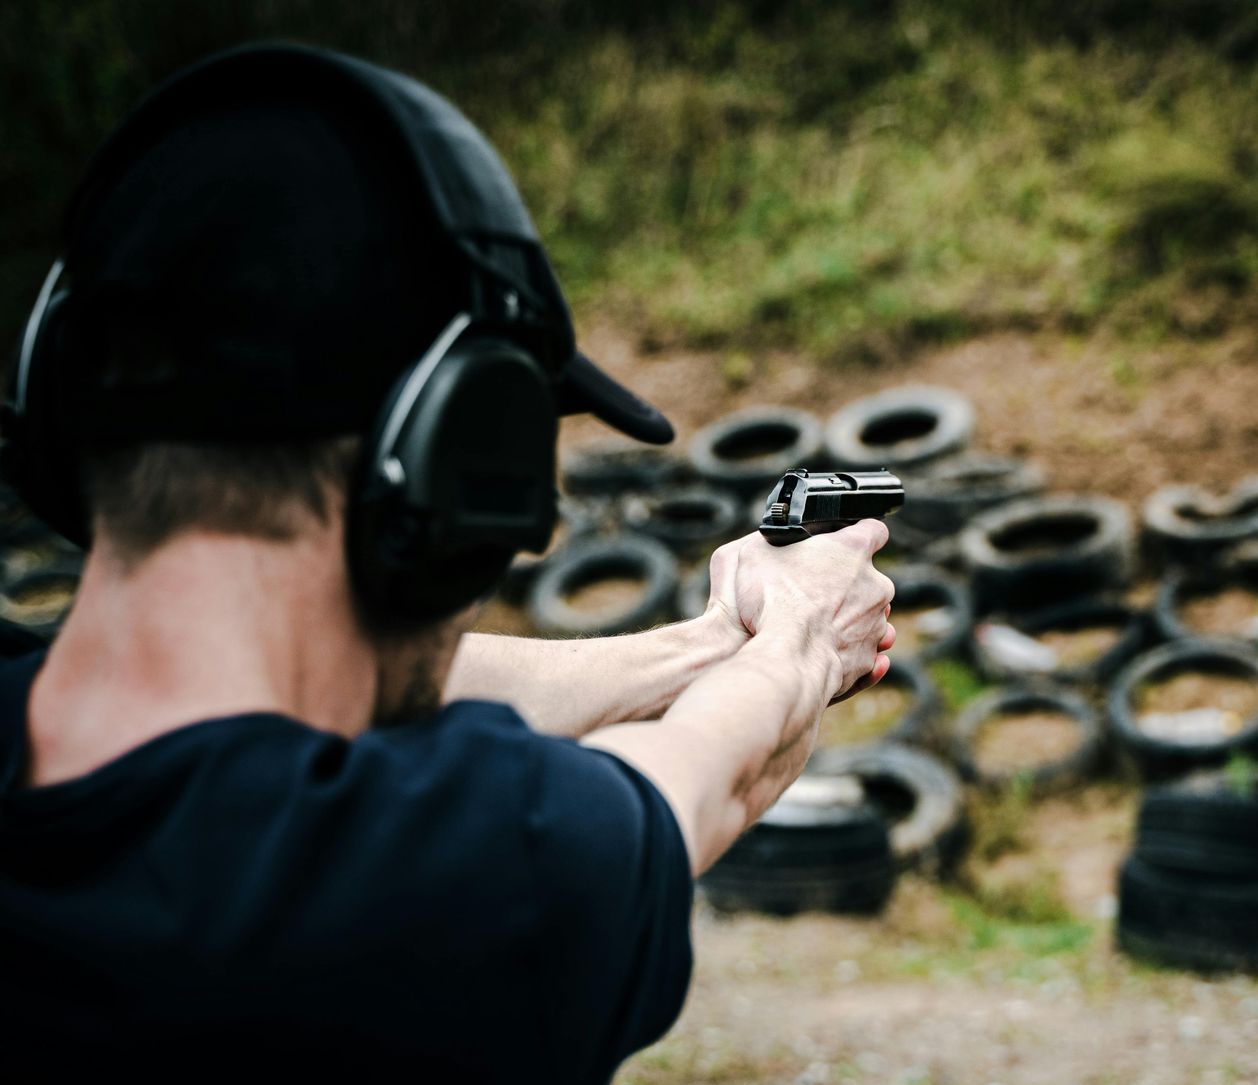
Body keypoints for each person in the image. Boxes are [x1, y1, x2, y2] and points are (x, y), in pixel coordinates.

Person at [0, 44, 894, 1082]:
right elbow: (705, 784)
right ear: (456, 467)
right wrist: (799, 639)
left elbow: (299, 699)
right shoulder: (435, 887)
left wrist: (707, 644)